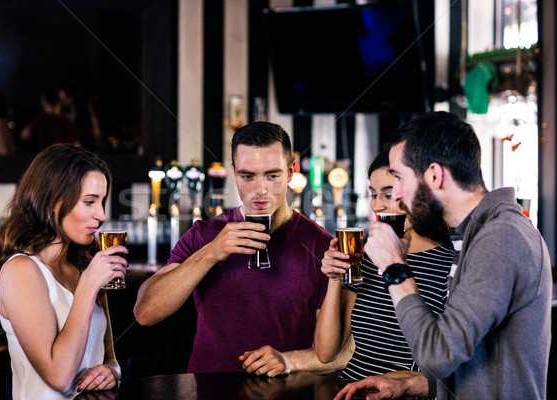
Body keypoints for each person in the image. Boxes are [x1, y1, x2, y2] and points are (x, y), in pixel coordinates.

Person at [347, 111, 552, 400]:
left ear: (434, 175)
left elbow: (438, 355)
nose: (396, 196)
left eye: (398, 178)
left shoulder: (501, 237)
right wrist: (409, 385)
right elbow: (466, 355)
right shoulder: (471, 234)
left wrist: (394, 266)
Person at [134, 121, 353, 375]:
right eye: (247, 176)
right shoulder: (204, 235)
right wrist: (211, 253)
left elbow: (343, 352)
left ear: (291, 172)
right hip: (208, 391)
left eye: (272, 175)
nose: (260, 190)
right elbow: (145, 313)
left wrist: (290, 361)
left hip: (287, 395)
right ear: (233, 172)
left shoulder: (321, 245)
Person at [0, 144, 125, 399]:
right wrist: (89, 284)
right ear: (54, 202)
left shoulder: (86, 266)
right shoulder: (21, 271)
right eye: (89, 201)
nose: (101, 214)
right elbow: (59, 378)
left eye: (102, 201)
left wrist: (111, 372)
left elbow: (109, 358)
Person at [314, 150, 454, 393]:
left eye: (388, 194)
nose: (378, 204)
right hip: (350, 390)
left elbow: (454, 364)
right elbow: (326, 353)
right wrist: (335, 280)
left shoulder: (449, 264)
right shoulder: (367, 255)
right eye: (373, 193)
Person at [21, 87, 79, 152]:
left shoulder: (42, 120)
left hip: (47, 159)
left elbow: (24, 135)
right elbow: (76, 144)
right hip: (64, 159)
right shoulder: (68, 122)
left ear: (44, 102)